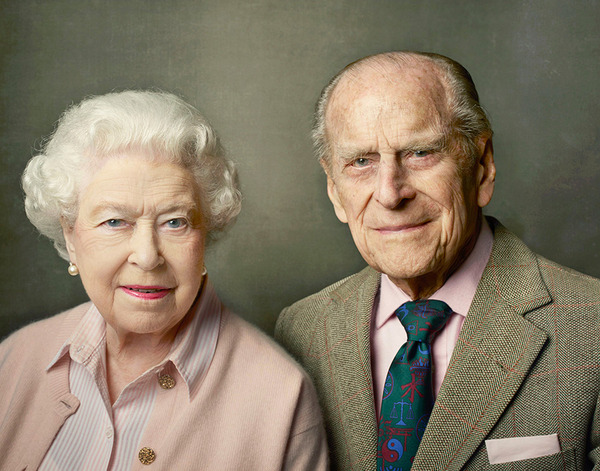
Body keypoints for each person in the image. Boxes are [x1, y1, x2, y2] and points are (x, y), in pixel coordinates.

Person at [275, 51, 600, 470]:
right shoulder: (299, 331)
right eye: (360, 162)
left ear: (482, 167)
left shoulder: (592, 326)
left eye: (420, 153)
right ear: (334, 190)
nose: (391, 194)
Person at [0, 90, 328, 470]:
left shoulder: (281, 399)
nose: (147, 255)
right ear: (71, 237)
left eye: (175, 222)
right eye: (114, 222)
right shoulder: (15, 359)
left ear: (206, 234)